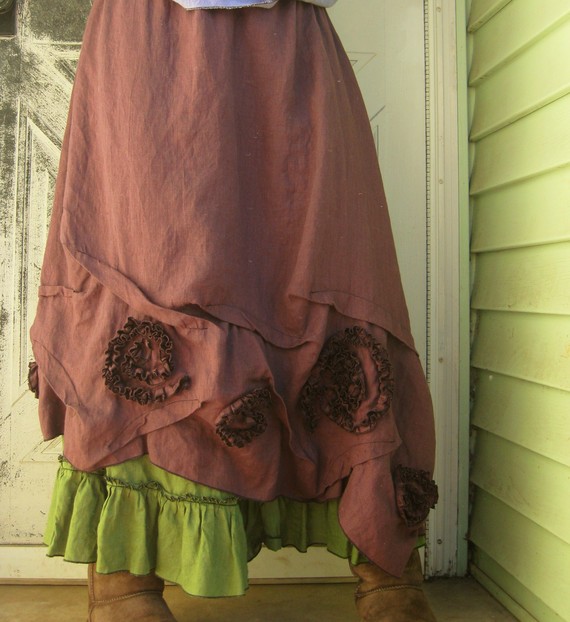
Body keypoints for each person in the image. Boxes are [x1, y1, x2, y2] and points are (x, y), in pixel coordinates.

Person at [28, 1, 438, 620]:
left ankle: (386, 568)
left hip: (286, 44)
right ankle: (125, 579)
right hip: (151, 40)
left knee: (323, 268)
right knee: (150, 272)